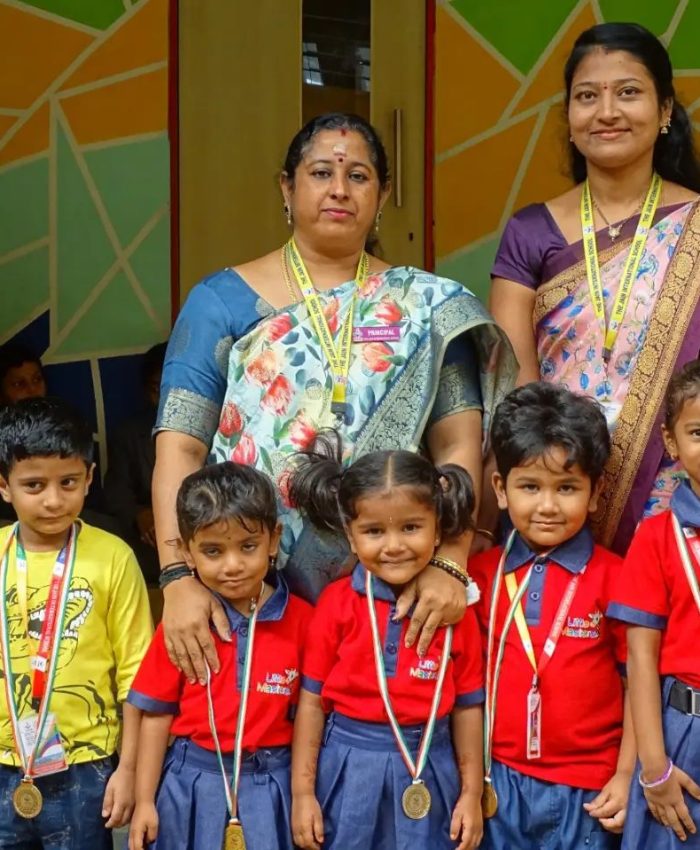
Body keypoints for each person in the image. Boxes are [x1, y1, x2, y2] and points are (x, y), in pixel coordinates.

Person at [152, 111, 516, 683]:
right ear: (287, 186)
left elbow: (458, 445)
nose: (340, 190)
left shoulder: (425, 307)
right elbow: (180, 451)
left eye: (360, 176)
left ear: (384, 192)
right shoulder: (219, 301)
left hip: (393, 586)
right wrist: (177, 578)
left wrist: (450, 560)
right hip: (248, 584)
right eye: (321, 173)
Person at [489, 22, 700, 556]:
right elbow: (517, 389)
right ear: (570, 119)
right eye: (587, 96)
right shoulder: (530, 232)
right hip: (558, 493)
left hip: (682, 495)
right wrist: (548, 476)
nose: (607, 111)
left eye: (628, 92)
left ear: (667, 110)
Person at [289, 435, 484, 850]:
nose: (394, 546)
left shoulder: (453, 610)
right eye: (374, 531)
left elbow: (468, 706)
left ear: (438, 528)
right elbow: (310, 702)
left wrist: (470, 792)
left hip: (432, 765)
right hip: (346, 767)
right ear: (350, 532)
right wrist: (304, 793)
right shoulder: (336, 605)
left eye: (411, 527)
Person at [468, 383, 634, 850]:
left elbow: (637, 685)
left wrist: (625, 775)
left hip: (588, 791)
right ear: (500, 489)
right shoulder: (479, 577)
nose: (546, 505)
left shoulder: (616, 579)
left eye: (567, 488)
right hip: (495, 783)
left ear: (596, 491)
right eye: (529, 486)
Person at [127, 461, 311, 850]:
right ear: (187, 552)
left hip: (271, 783)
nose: (232, 565)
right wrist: (145, 800)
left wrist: (304, 794)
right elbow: (156, 714)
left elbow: (311, 718)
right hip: (192, 781)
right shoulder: (182, 625)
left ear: (274, 540)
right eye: (212, 550)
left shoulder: (303, 621)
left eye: (248, 547)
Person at [0, 397, 153, 849]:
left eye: (68, 482)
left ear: (89, 478)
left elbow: (136, 674)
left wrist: (128, 770)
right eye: (33, 485)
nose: (53, 500)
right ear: (4, 486)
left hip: (87, 767)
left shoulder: (114, 557)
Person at [608, 360, 700, 848]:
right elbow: (640, 660)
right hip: (683, 735)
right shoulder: (657, 537)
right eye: (698, 431)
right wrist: (653, 767)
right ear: (671, 442)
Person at [104, 342, 167, 585]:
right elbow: (116, 491)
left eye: (173, 388)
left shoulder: (216, 427)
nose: (165, 397)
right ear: (146, 391)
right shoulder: (129, 433)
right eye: (156, 389)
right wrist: (139, 514)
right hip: (150, 540)